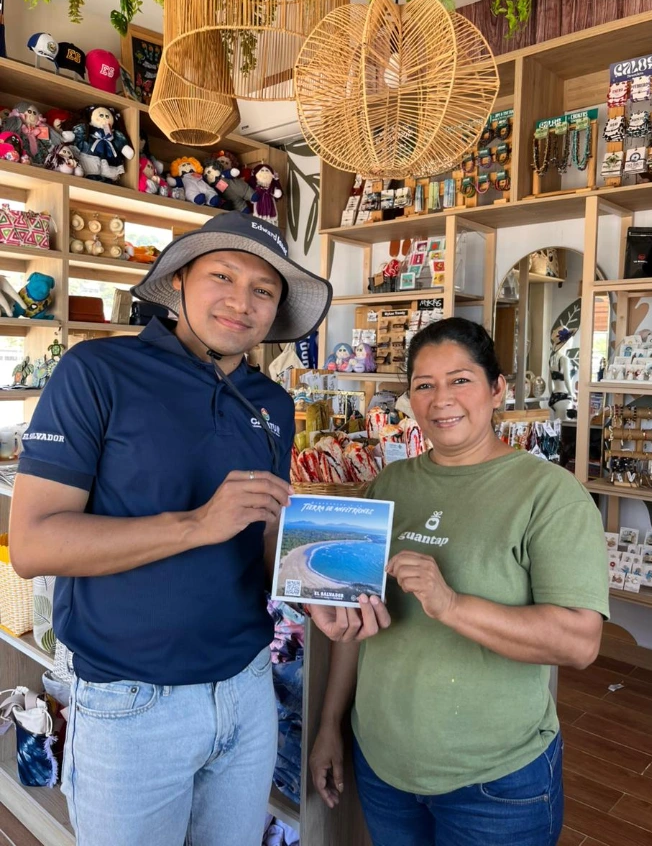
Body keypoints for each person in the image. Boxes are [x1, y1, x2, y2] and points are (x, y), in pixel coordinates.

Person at [8, 212, 382, 846]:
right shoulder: (96, 370)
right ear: (179, 280)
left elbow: (264, 535)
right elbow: (34, 544)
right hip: (130, 703)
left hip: (247, 689)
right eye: (223, 277)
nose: (242, 302)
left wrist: (314, 592)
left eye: (263, 290)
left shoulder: (273, 403)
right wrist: (195, 524)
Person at [310, 317, 609, 846]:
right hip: (382, 764)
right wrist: (330, 723)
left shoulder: (550, 494)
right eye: (424, 385)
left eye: (461, 380)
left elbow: (579, 642)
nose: (441, 399)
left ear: (497, 389)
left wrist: (450, 604)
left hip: (495, 783)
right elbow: (356, 619)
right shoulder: (389, 483)